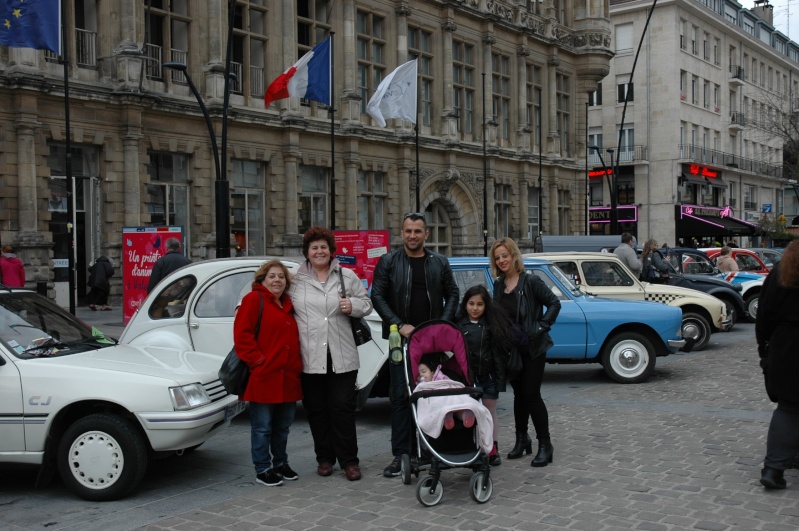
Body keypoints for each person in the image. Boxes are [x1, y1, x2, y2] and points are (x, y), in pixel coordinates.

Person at [371, 212, 459, 478]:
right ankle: (402, 455)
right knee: (400, 398)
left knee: (433, 395)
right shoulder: (388, 261)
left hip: (431, 343)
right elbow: (377, 295)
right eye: (408, 231)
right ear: (402, 232)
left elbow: (453, 294)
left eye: (417, 231)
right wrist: (399, 324)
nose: (412, 236)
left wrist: (441, 326)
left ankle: (433, 449)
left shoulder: (439, 262)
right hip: (402, 342)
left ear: (426, 234)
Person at [288, 227, 373, 481]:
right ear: (307, 252)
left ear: (331, 250)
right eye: (314, 247)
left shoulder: (346, 275)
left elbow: (367, 303)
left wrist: (353, 306)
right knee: (316, 410)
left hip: (342, 354)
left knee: (342, 408)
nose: (319, 251)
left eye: (323, 247)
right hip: (309, 355)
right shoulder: (295, 279)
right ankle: (324, 458)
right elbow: (271, 291)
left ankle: (349, 461)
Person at [491, 237, 561, 467]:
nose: (502, 260)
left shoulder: (530, 282)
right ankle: (522, 439)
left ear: (513, 256)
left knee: (531, 394)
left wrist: (541, 326)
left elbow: (554, 303)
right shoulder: (499, 285)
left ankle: (545, 445)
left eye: (505, 255)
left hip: (532, 347)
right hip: (511, 349)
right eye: (497, 257)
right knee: (519, 395)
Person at [234, 260, 302, 487]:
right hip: (264, 376)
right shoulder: (254, 300)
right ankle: (263, 468)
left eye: (281, 277)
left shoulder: (288, 303)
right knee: (262, 428)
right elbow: (242, 336)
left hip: (288, 378)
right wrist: (258, 362)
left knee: (282, 427)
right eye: (272, 276)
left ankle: (280, 463)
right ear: (262, 279)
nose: (277, 280)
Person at [756, 240, 799, 490]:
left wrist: (765, 350)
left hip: (787, 348)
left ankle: (773, 469)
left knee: (789, 409)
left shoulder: (783, 270)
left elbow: (764, 314)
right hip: (786, 344)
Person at [455, 284, 512, 466]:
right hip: (468, 379)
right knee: (470, 413)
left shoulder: (492, 326)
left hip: (488, 377)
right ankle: (472, 447)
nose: (475, 308)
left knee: (489, 413)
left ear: (486, 306)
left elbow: (498, 354)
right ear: (465, 305)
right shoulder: (458, 325)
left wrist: (499, 377)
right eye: (471, 303)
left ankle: (492, 448)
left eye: (479, 304)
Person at [417, 356, 475, 430]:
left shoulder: (440, 377)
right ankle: (447, 417)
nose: (421, 375)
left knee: (457, 404)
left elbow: (448, 384)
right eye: (418, 375)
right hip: (436, 401)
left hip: (446, 393)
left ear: (432, 373)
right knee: (438, 407)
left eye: (424, 371)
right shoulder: (420, 385)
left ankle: (465, 416)